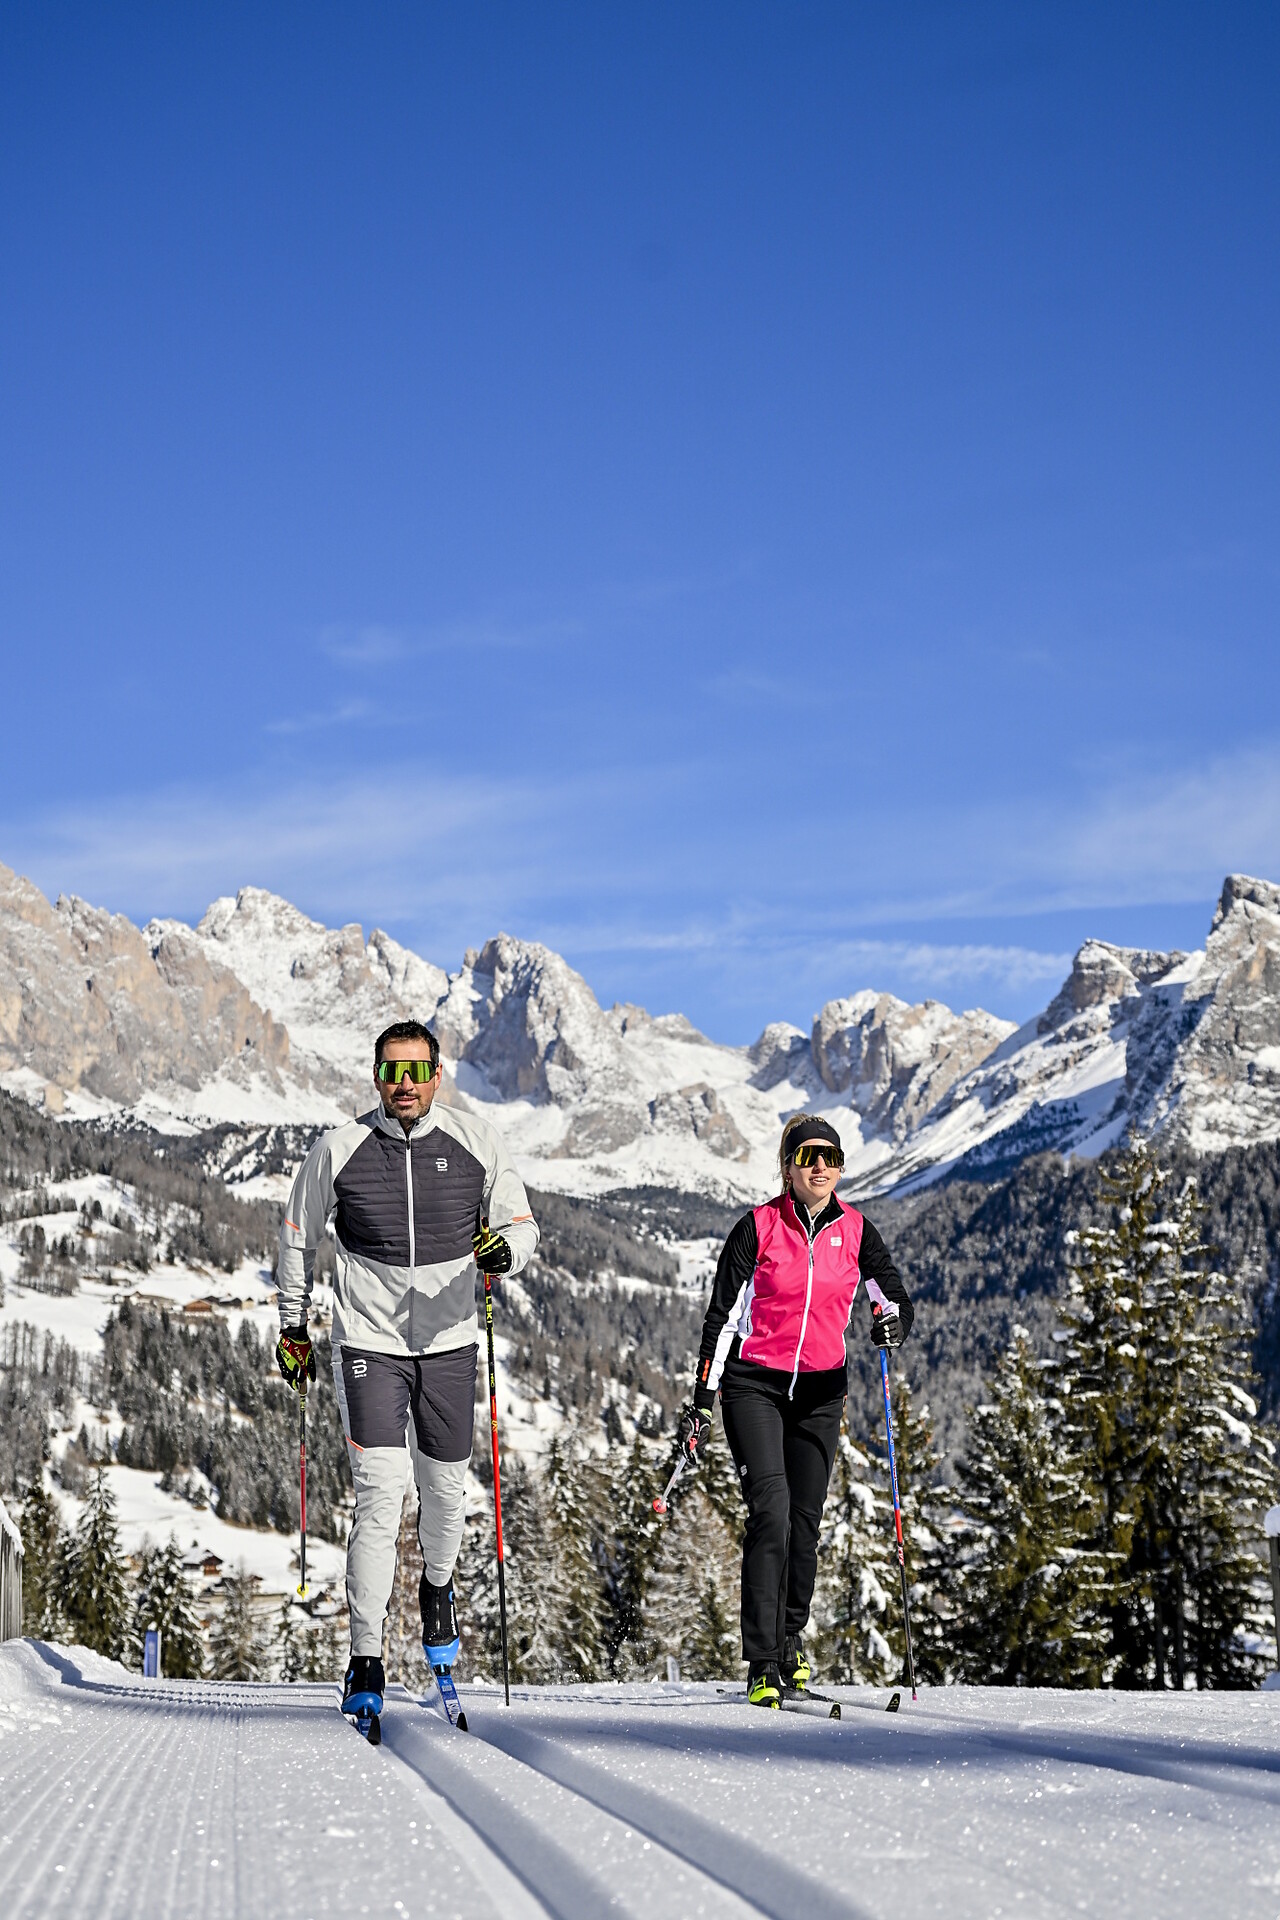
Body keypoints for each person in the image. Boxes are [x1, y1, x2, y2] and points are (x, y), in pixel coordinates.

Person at [274, 1019, 538, 1720]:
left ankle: (438, 1586)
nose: (405, 1084)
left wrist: (506, 1253)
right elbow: (297, 1236)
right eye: (392, 1071)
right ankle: (365, 1655)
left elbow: (521, 1224)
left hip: (450, 1344)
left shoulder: (477, 1141)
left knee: (445, 1495)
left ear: (436, 1075)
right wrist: (293, 1325)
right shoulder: (339, 1149)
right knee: (381, 1495)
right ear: (375, 1077)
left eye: (416, 1070)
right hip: (368, 1345)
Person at [675, 1113, 913, 1708]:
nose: (820, 1166)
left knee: (805, 1523)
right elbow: (722, 1318)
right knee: (772, 1512)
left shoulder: (856, 1230)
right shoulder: (757, 1227)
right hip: (754, 1385)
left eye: (831, 1156)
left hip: (820, 1393)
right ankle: (762, 1660)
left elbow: (891, 1295)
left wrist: (892, 1321)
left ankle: (789, 1643)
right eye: (808, 1156)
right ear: (788, 1167)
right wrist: (702, 1399)